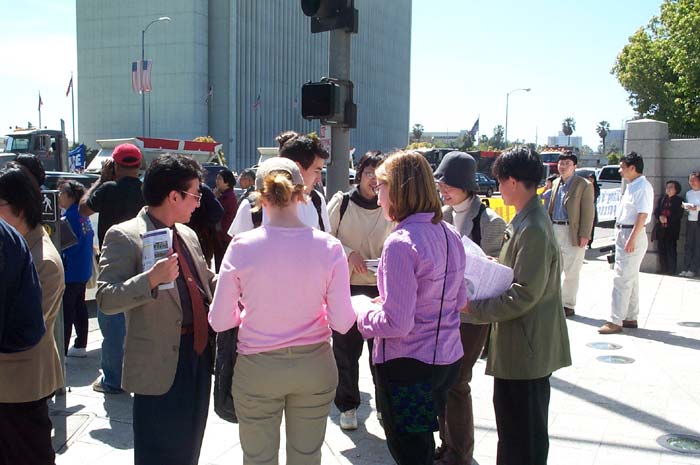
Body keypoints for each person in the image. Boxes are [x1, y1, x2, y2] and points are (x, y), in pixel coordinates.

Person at [209, 157, 355, 465]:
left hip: (257, 368)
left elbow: (219, 319)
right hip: (314, 366)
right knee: (307, 457)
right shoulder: (329, 247)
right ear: (302, 194)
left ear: (259, 197)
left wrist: (248, 314)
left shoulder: (242, 246)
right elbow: (343, 322)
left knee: (258, 458)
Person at [96, 154, 216, 465]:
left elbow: (205, 282)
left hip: (198, 355)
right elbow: (106, 298)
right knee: (158, 452)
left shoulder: (187, 234)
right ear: (174, 196)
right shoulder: (125, 235)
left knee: (190, 446)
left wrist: (238, 277)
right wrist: (150, 279)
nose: (198, 203)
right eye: (195, 195)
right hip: (158, 363)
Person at [462, 146, 572, 465]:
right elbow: (521, 274)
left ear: (512, 181)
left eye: (500, 181)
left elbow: (524, 293)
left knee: (523, 436)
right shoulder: (527, 219)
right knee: (514, 431)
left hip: (527, 348)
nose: (498, 187)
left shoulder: (533, 227)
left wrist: (473, 308)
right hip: (520, 345)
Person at [356, 150, 466, 465]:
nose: (378, 197)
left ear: (399, 189)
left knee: (411, 453)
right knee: (421, 446)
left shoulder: (401, 242)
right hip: (445, 360)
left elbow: (398, 323)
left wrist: (363, 313)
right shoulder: (449, 233)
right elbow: (459, 300)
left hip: (409, 368)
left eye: (380, 187)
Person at [433, 151, 506, 465]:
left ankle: (460, 452)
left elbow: (498, 271)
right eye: (440, 184)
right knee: (443, 379)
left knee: (458, 380)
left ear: (466, 184)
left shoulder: (492, 222)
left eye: (448, 184)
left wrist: (488, 263)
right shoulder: (440, 216)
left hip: (473, 314)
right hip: (443, 311)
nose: (443, 190)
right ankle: (446, 443)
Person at [0, 167, 65, 465]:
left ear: (21, 208)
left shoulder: (44, 261)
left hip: (21, 387)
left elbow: (25, 327)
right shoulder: (14, 248)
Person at [326, 150, 394, 430]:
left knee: (382, 353)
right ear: (359, 174)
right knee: (345, 351)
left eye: (379, 176)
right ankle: (348, 406)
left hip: (381, 289)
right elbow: (325, 239)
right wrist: (348, 253)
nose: (373, 181)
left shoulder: (391, 205)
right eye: (369, 173)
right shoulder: (342, 203)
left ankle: (384, 407)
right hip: (347, 287)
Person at [80, 142, 145, 394]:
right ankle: (136, 375)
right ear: (139, 165)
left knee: (112, 318)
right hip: (143, 259)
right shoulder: (146, 190)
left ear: (115, 165)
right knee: (139, 321)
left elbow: (83, 209)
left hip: (112, 260)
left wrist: (101, 179)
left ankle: (113, 380)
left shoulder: (107, 189)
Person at [228, 132, 330, 236]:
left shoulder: (317, 201)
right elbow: (239, 244)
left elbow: (324, 242)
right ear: (297, 167)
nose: (319, 179)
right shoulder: (252, 205)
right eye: (316, 171)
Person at [599, 152, 654, 334]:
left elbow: (642, 215)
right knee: (631, 278)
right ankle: (630, 316)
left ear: (632, 168)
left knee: (621, 279)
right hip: (625, 232)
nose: (620, 170)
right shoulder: (632, 185)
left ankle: (616, 320)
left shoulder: (642, 187)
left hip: (632, 233)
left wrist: (631, 239)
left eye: (622, 167)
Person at [547, 152, 595, 317]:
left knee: (572, 270)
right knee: (554, 269)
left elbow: (588, 212)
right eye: (561, 163)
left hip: (572, 230)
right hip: (555, 228)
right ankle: (553, 301)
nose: (563, 166)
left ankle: (568, 304)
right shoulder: (555, 183)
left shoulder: (584, 185)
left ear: (575, 166)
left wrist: (585, 234)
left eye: (567, 163)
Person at [58, 179, 95, 357]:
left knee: (66, 312)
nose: (58, 196)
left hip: (70, 270)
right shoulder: (82, 215)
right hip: (83, 269)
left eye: (61, 193)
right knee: (80, 306)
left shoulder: (69, 217)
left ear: (70, 196)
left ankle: (62, 351)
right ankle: (80, 345)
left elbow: (62, 245)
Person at [186, 182, 224, 266]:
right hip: (186, 235)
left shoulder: (203, 189)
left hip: (202, 237)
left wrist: (202, 225)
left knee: (202, 266)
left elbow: (218, 211)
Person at [652, 180, 683, 275]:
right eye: (667, 187)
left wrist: (668, 219)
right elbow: (656, 211)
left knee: (671, 248)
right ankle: (663, 268)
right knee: (661, 248)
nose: (668, 189)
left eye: (671, 187)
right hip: (661, 228)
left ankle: (671, 270)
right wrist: (660, 217)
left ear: (676, 190)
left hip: (672, 228)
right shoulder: (662, 199)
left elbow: (679, 214)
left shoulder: (679, 200)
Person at [214, 169, 238, 271]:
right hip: (222, 235)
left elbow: (218, 212)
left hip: (224, 235)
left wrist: (214, 198)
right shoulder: (224, 195)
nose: (217, 181)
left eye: (219, 179)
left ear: (227, 182)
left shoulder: (228, 197)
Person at [679, 171, 700, 277]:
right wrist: (686, 207)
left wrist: (697, 208)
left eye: (694, 180)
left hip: (698, 221)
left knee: (697, 246)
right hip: (690, 220)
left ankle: (693, 269)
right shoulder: (688, 193)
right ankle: (685, 268)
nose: (692, 182)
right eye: (690, 180)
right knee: (688, 245)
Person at [587, 173, 601, 248]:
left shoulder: (596, 188)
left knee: (591, 226)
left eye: (592, 178)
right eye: (589, 178)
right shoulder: (585, 186)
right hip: (585, 208)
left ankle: (589, 243)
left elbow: (595, 196)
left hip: (592, 207)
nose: (590, 180)